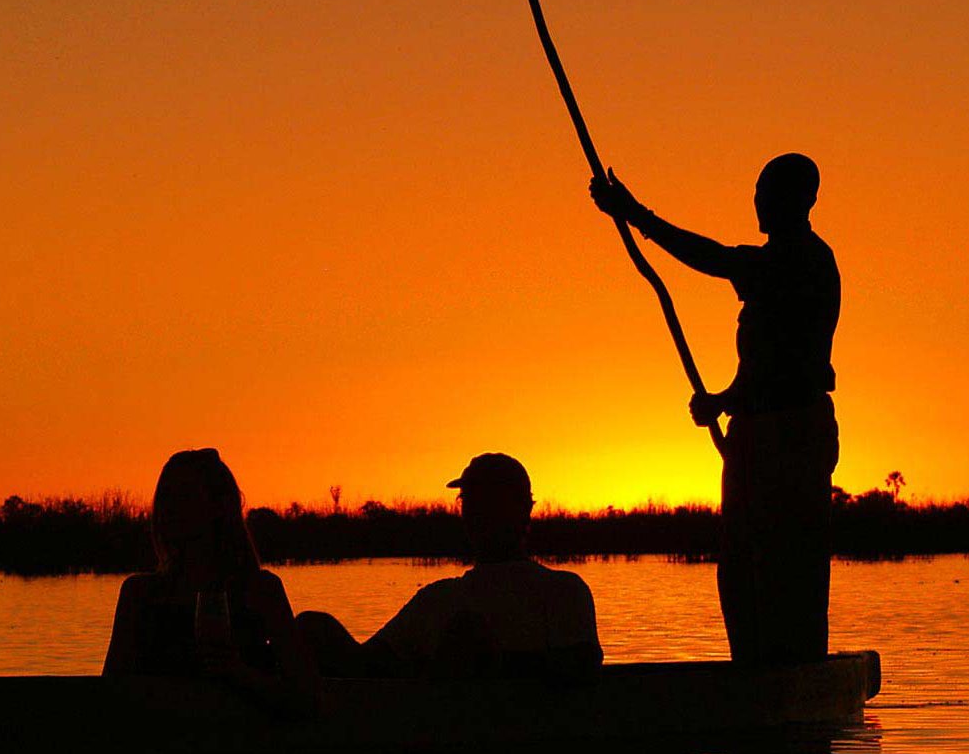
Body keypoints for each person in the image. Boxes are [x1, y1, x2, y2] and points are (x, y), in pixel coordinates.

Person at [590, 153, 840, 665]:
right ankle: (754, 668)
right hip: (757, 431)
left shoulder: (801, 261)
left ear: (803, 201)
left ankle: (793, 672)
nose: (760, 204)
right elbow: (769, 359)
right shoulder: (776, 265)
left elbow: (719, 261)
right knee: (743, 565)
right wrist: (727, 401)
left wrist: (636, 215)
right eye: (758, 193)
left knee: (784, 563)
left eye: (770, 194)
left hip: (790, 436)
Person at [298, 453, 601, 679]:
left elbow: (582, 666)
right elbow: (367, 663)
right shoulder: (437, 599)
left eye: (491, 502)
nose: (479, 513)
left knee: (466, 629)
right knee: (311, 625)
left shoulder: (563, 591)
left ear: (524, 510)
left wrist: (486, 663)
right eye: (470, 502)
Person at [103, 448, 320, 715]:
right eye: (165, 497)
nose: (168, 509)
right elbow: (111, 692)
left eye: (183, 497)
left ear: (219, 507)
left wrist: (240, 674)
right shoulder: (139, 594)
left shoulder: (260, 591)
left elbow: (306, 697)